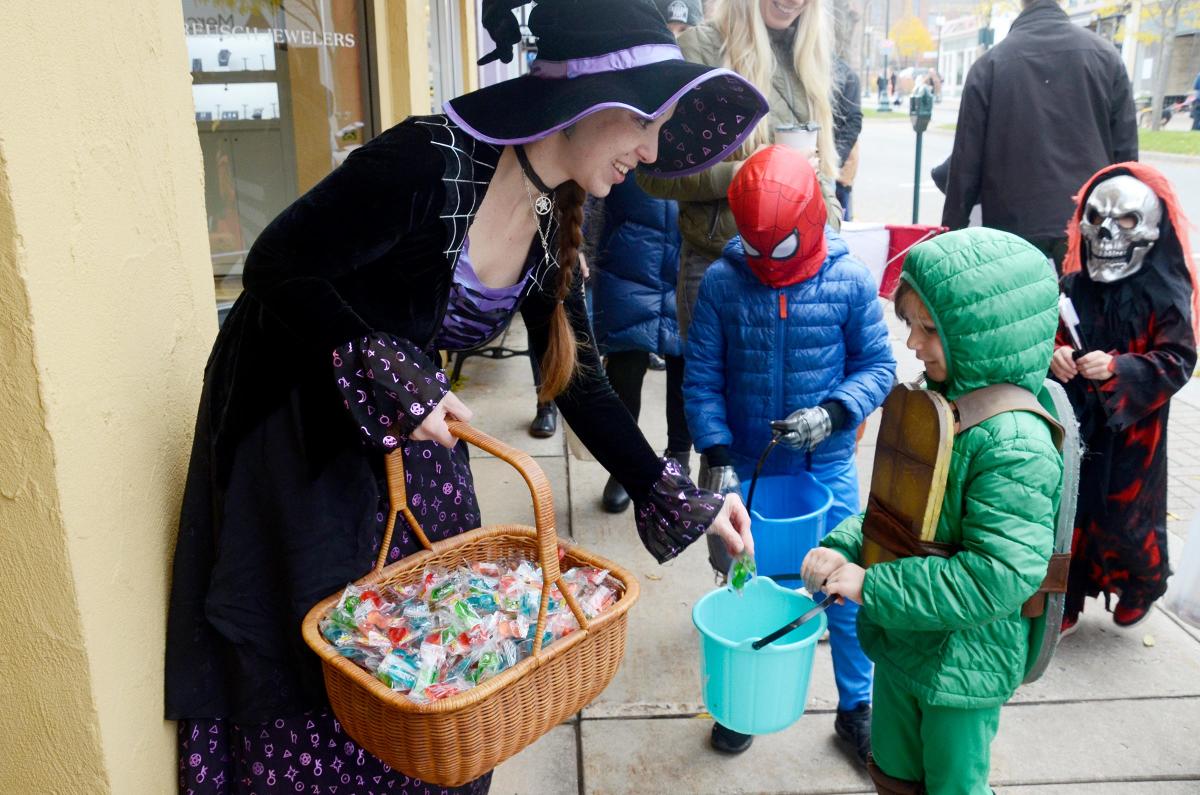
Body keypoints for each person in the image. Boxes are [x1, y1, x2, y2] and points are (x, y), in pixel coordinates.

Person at [165, 2, 767, 793]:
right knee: (332, 657)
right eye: (645, 122)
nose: (652, 152)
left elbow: (576, 377)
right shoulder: (427, 160)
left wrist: (673, 490)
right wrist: (391, 372)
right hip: (300, 433)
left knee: (438, 655)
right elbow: (276, 263)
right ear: (588, 98)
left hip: (403, 428)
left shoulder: (554, 208)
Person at [804, 227, 1063, 794]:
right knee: (894, 772)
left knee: (952, 785)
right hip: (905, 642)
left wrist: (873, 585)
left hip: (963, 663)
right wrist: (844, 547)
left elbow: (998, 576)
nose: (914, 345)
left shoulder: (1015, 442)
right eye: (909, 326)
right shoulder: (936, 400)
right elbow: (894, 512)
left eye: (930, 330)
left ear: (983, 334)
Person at [685, 145, 895, 759]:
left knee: (845, 591)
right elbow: (701, 376)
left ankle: (857, 706)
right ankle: (746, 692)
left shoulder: (849, 279)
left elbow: (878, 364)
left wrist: (834, 412)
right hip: (748, 471)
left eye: (777, 248)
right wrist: (717, 453)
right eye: (754, 247)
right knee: (745, 585)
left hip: (823, 470)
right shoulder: (724, 282)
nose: (765, 262)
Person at [637, 0, 843, 347]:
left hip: (799, 273)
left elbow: (819, 167)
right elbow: (653, 174)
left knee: (791, 398)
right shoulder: (700, 48)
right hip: (718, 268)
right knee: (710, 398)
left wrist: (833, 225)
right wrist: (747, 173)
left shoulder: (811, 54)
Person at [1052, 163, 1199, 632]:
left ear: (1150, 227)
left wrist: (1120, 368)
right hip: (1079, 419)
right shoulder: (1075, 284)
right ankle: (1065, 594)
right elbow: (1053, 332)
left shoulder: (1165, 290)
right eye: (1097, 219)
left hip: (1136, 431)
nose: (1110, 232)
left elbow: (1179, 358)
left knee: (1127, 515)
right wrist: (1055, 355)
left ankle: (1141, 584)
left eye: (1127, 221)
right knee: (1070, 510)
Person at [590, 0, 702, 514]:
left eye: (683, 26)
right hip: (629, 256)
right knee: (625, 367)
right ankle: (626, 467)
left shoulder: (698, 102)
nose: (676, 34)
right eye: (669, 25)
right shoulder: (625, 91)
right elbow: (590, 192)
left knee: (685, 369)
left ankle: (677, 460)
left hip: (684, 257)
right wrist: (585, 250)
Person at [941, 0, 1138, 273]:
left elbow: (965, 165)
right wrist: (1127, 223)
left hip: (1013, 225)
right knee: (1086, 313)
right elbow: (1127, 157)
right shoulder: (1106, 57)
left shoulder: (989, 66)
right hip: (1090, 219)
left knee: (1018, 311)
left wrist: (951, 236)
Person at [833, 56, 863, 221]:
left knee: (841, 224)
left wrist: (833, 163)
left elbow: (853, 123)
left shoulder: (846, 75)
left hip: (838, 172)